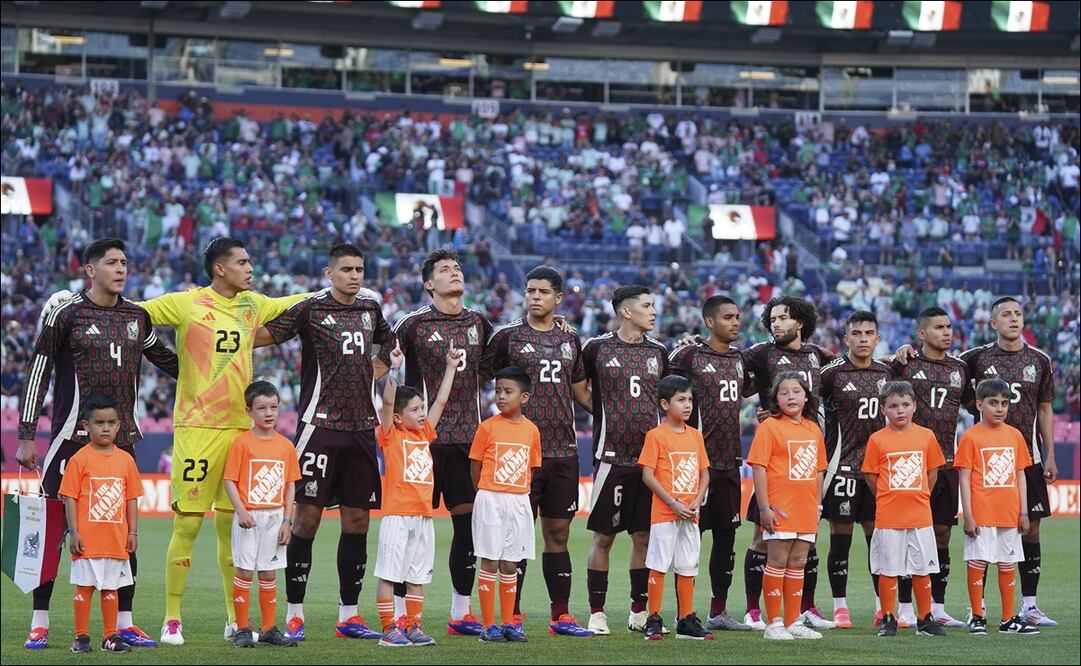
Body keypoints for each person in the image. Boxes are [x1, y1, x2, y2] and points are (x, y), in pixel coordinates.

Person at [138, 237, 310, 645]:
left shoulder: (253, 304)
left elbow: (291, 303)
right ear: (220, 268)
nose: (251, 269)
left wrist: (330, 292)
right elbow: (136, 314)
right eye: (243, 262)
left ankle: (236, 619)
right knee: (187, 524)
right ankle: (172, 618)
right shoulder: (186, 303)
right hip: (197, 429)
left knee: (233, 529)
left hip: (239, 430)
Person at [17, 238, 178, 650]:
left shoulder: (136, 316)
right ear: (91, 270)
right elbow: (39, 370)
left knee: (122, 531)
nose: (121, 269)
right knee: (53, 530)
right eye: (111, 262)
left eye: (124, 262)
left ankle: (124, 623)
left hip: (121, 442)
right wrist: (27, 434)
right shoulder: (66, 314)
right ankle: (39, 622)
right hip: (70, 439)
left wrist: (215, 372)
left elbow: (167, 359)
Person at [256, 243, 395, 642]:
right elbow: (267, 335)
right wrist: (228, 332)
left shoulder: (370, 309)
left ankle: (349, 615)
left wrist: (374, 369)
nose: (354, 276)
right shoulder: (310, 309)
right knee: (307, 518)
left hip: (362, 428)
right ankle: (294, 614)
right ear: (329, 273)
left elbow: (389, 344)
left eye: (359, 269)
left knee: (358, 520)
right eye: (346, 269)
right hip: (319, 427)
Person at [479, 266, 594, 637]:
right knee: (515, 537)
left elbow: (580, 391)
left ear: (558, 298)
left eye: (543, 292)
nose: (535, 297)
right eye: (530, 291)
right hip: (517, 452)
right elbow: (478, 376)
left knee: (558, 534)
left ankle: (560, 615)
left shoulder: (570, 338)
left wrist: (616, 417)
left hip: (563, 450)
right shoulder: (507, 337)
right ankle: (510, 616)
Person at [390, 249, 493, 635]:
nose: (455, 273)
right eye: (445, 270)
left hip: (469, 440)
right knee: (410, 528)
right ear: (429, 284)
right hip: (423, 443)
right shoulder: (413, 325)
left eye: (457, 268)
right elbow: (384, 364)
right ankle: (401, 614)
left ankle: (460, 613)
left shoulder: (479, 323)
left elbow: (505, 355)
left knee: (468, 528)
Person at [958, 297, 1057, 627]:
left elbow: (1045, 408)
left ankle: (1029, 606)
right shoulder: (975, 358)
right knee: (983, 534)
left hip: (1027, 455)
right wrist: (904, 353)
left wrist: (1050, 453)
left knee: (1031, 528)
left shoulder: (1039, 360)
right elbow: (946, 372)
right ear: (993, 323)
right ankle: (979, 609)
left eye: (1018, 313)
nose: (1014, 319)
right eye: (1006, 314)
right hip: (986, 459)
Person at [740, 296, 835, 630]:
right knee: (762, 539)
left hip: (807, 450)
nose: (776, 324)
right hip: (778, 455)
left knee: (805, 543)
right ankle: (754, 610)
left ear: (801, 322)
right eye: (773, 319)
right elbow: (729, 363)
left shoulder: (816, 355)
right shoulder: (761, 352)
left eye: (783, 318)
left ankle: (805, 609)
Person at [580, 285, 670, 636]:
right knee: (603, 537)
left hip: (649, 462)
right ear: (626, 312)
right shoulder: (597, 348)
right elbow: (577, 385)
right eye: (647, 305)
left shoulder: (659, 351)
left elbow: (668, 397)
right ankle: (597, 613)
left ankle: (639, 611)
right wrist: (602, 413)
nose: (653, 311)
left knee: (643, 537)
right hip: (610, 458)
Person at [667, 296, 751, 632]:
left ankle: (719, 611)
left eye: (737, 316)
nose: (736, 322)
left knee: (726, 538)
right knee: (689, 538)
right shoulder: (688, 355)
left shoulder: (739, 358)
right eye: (728, 317)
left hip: (729, 462)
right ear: (710, 322)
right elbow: (663, 391)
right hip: (694, 465)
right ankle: (682, 613)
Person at [888, 307, 975, 628]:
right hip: (909, 465)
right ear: (922, 333)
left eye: (949, 326)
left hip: (947, 463)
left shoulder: (960, 368)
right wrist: (894, 353)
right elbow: (875, 371)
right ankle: (905, 607)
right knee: (907, 536)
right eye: (939, 327)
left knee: (941, 536)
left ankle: (938, 607)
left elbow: (974, 404)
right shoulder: (905, 364)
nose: (947, 332)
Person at [373, 340, 461, 647]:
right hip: (397, 515)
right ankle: (388, 629)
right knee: (389, 574)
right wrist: (394, 370)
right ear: (398, 417)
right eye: (415, 409)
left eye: (422, 407)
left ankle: (412, 626)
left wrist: (451, 367)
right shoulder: (390, 435)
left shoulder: (425, 433)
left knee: (417, 576)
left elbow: (441, 401)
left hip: (424, 516)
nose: (422, 412)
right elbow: (387, 403)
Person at [819, 311, 891, 628]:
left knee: (878, 542)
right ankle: (840, 607)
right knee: (841, 541)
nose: (863, 339)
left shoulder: (887, 373)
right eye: (857, 333)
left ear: (877, 338)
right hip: (842, 468)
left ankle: (881, 606)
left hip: (877, 471)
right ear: (846, 338)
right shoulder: (830, 375)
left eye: (869, 333)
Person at [954, 378, 1040, 636]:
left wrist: (1024, 512)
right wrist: (968, 515)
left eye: (1004, 403)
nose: (1000, 408)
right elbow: (964, 478)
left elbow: (1020, 475)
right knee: (978, 562)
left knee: (1007, 563)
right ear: (979, 404)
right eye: (993, 403)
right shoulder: (970, 437)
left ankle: (1008, 619)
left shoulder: (1015, 435)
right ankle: (977, 616)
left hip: (1009, 513)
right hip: (981, 513)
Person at [746, 371, 827, 640]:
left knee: (798, 562)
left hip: (806, 509)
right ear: (775, 399)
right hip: (780, 507)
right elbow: (759, 468)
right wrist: (764, 508)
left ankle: (793, 621)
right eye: (784, 392)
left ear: (806, 396)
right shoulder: (769, 427)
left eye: (796, 391)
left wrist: (817, 507)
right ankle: (774, 623)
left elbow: (819, 471)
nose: (791, 396)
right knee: (777, 561)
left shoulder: (813, 429)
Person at [861, 381, 946, 638]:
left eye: (905, 405)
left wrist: (920, 495)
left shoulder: (926, 436)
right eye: (894, 406)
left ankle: (925, 618)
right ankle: (888, 617)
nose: (900, 410)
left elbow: (932, 471)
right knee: (889, 569)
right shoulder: (877, 439)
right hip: (889, 517)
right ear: (883, 409)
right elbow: (871, 476)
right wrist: (888, 497)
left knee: (923, 568)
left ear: (915, 406)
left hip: (920, 515)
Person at [58, 395, 142, 654]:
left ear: (119, 425)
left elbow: (131, 498)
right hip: (88, 539)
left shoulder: (126, 460)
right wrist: (74, 531)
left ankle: (109, 636)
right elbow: (70, 498)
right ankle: (81, 637)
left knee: (110, 587)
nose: (105, 428)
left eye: (111, 423)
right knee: (84, 586)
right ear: (86, 425)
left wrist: (133, 532)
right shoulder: (79, 459)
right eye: (99, 423)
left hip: (116, 539)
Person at [222, 382, 301, 648]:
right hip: (249, 517)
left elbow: (290, 485)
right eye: (262, 408)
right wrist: (241, 510)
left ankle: (268, 629)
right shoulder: (242, 443)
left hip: (275, 517)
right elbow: (230, 480)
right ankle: (242, 628)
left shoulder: (285, 446)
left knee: (268, 573)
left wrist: (287, 520)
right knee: (245, 571)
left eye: (274, 407)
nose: (269, 413)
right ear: (249, 411)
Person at [468, 367, 543, 643]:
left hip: (519, 500)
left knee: (510, 563)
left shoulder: (532, 430)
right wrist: (486, 492)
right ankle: (488, 626)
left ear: (524, 397)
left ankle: (509, 623)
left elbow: (531, 468)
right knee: (489, 560)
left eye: (508, 391)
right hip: (490, 497)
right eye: (498, 390)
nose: (500, 396)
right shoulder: (487, 427)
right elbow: (475, 466)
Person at [638, 375, 713, 641]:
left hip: (690, 514)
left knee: (688, 566)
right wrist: (672, 502)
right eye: (681, 400)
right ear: (664, 404)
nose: (687, 405)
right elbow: (648, 475)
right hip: (665, 514)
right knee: (659, 565)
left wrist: (697, 499)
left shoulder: (695, 436)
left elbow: (704, 473)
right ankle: (654, 618)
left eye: (690, 399)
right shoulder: (656, 435)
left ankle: (686, 619)